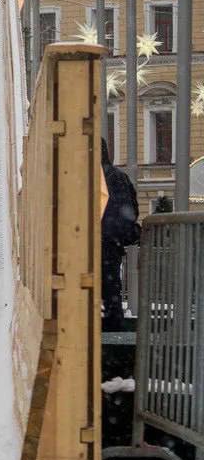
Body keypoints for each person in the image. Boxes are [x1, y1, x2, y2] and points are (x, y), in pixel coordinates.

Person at [100, 139, 140, 332]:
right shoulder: (118, 177)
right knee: (111, 288)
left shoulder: (82, 177)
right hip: (110, 243)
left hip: (89, 242)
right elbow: (131, 210)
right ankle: (113, 327)